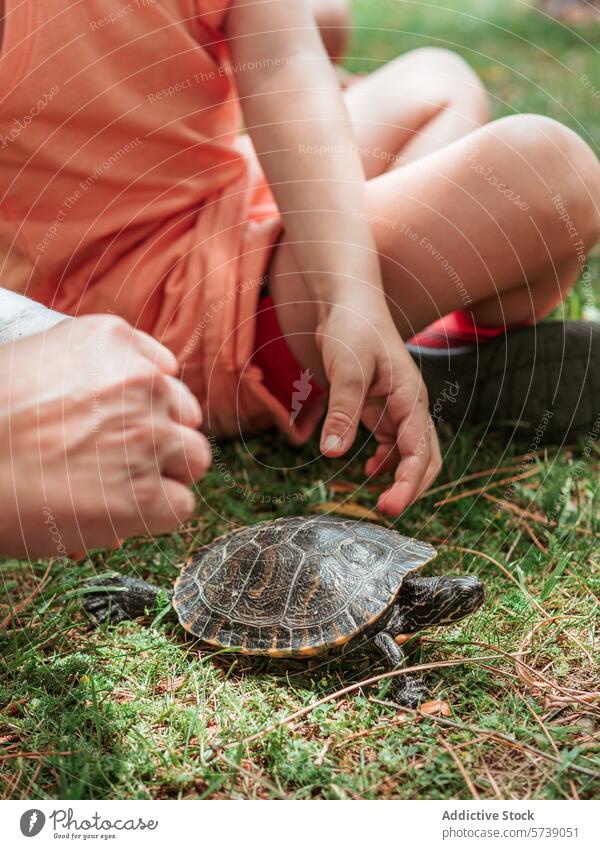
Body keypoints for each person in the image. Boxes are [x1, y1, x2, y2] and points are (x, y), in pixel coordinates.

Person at [0, 0, 598, 558]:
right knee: (548, 171)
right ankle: (393, 357)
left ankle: (381, 344)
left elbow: (289, 56)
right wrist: (348, 293)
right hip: (162, 312)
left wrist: (351, 290)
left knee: (440, 80)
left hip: (230, 194)